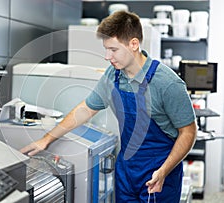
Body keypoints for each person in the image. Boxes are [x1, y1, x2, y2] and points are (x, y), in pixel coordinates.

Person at [20, 10, 197, 203]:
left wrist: (163, 171)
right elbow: (86, 109)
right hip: (127, 172)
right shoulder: (113, 76)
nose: (107, 56)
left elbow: (188, 132)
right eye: (106, 49)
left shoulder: (167, 83)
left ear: (134, 44)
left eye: (113, 50)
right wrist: (46, 139)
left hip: (159, 174)